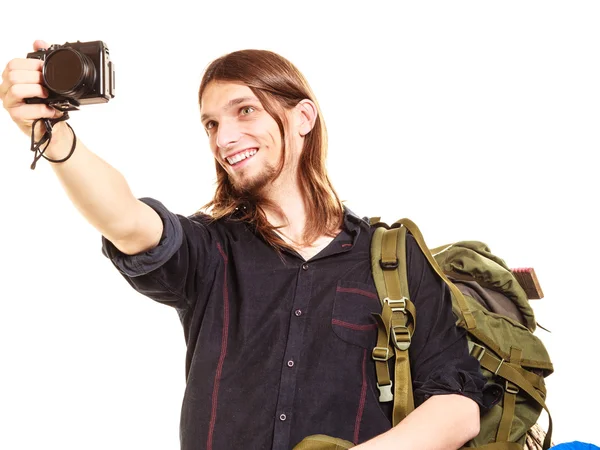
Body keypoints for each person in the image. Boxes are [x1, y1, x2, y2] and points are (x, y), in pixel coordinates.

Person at [1, 40, 490, 450]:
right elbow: (128, 222)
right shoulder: (211, 252)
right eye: (211, 124)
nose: (224, 137)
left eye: (245, 111)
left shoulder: (393, 258)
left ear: (303, 117)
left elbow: (458, 406)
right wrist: (54, 136)